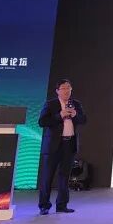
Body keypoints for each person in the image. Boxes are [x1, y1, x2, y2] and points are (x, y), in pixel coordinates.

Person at [37, 78, 86, 215]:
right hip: (52, 146)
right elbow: (42, 122)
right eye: (63, 88)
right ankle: (44, 206)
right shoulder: (50, 104)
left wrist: (75, 115)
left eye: (68, 88)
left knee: (64, 176)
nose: (66, 91)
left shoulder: (76, 104)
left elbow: (84, 120)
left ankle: (62, 205)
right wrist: (60, 115)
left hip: (69, 144)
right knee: (47, 177)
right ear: (57, 91)